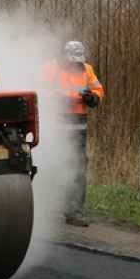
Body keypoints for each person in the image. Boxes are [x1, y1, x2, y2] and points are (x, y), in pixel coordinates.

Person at [42, 40, 105, 226]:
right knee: (49, 167)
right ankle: (42, 207)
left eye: (77, 61)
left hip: (78, 130)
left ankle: (74, 212)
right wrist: (56, 100)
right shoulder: (50, 69)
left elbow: (99, 91)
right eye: (72, 61)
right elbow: (38, 91)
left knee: (78, 169)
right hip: (54, 129)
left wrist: (92, 98)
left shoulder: (87, 70)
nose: (75, 65)